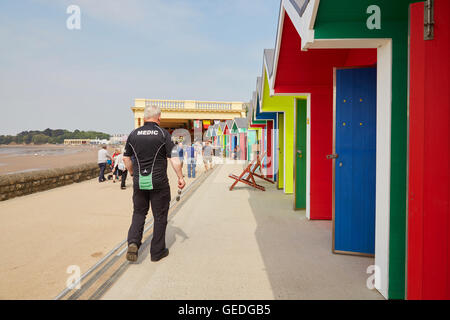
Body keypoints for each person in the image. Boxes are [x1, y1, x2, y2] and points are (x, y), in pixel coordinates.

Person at [123, 104, 185, 263]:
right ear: (159, 117)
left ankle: (133, 242)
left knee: (138, 213)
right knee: (160, 216)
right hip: (159, 183)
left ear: (144, 117)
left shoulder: (133, 134)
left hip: (139, 183)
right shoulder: (164, 134)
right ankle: (157, 252)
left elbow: (126, 159)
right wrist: (180, 177)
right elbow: (175, 160)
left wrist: (132, 173)